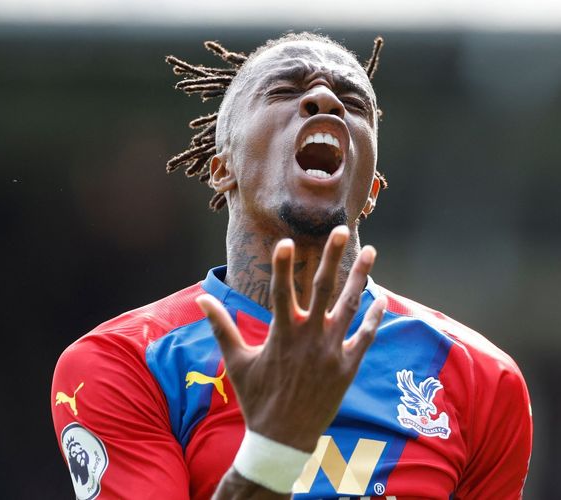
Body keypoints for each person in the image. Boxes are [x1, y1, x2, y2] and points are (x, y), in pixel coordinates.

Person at [51, 33, 532, 499]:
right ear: (223, 168)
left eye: (353, 100)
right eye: (284, 90)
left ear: (371, 192)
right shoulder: (128, 362)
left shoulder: (480, 378)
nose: (325, 98)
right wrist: (278, 444)